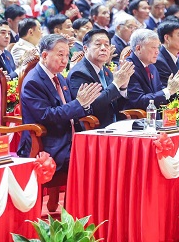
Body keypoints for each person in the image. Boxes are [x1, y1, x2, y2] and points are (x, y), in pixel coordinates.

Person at [18, 34, 102, 208]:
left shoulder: (59, 77)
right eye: (60, 54)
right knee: (89, 161)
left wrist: (85, 104)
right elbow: (47, 116)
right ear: (44, 55)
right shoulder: (33, 81)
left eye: (66, 55)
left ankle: (90, 211)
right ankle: (75, 212)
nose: (65, 60)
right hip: (48, 143)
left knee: (103, 154)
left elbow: (72, 107)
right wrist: (79, 103)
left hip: (69, 138)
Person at [67, 29, 134, 128]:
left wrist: (123, 87)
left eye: (107, 45)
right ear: (85, 49)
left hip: (114, 125)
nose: (103, 48)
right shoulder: (79, 73)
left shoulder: (106, 71)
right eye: (98, 44)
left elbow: (117, 105)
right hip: (94, 127)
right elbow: (95, 105)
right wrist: (116, 83)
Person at [125, 29, 179, 110]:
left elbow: (159, 93)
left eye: (158, 47)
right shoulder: (128, 68)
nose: (157, 52)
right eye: (153, 48)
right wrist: (169, 90)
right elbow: (139, 101)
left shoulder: (152, 67)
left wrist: (177, 86)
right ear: (138, 48)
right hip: (137, 116)